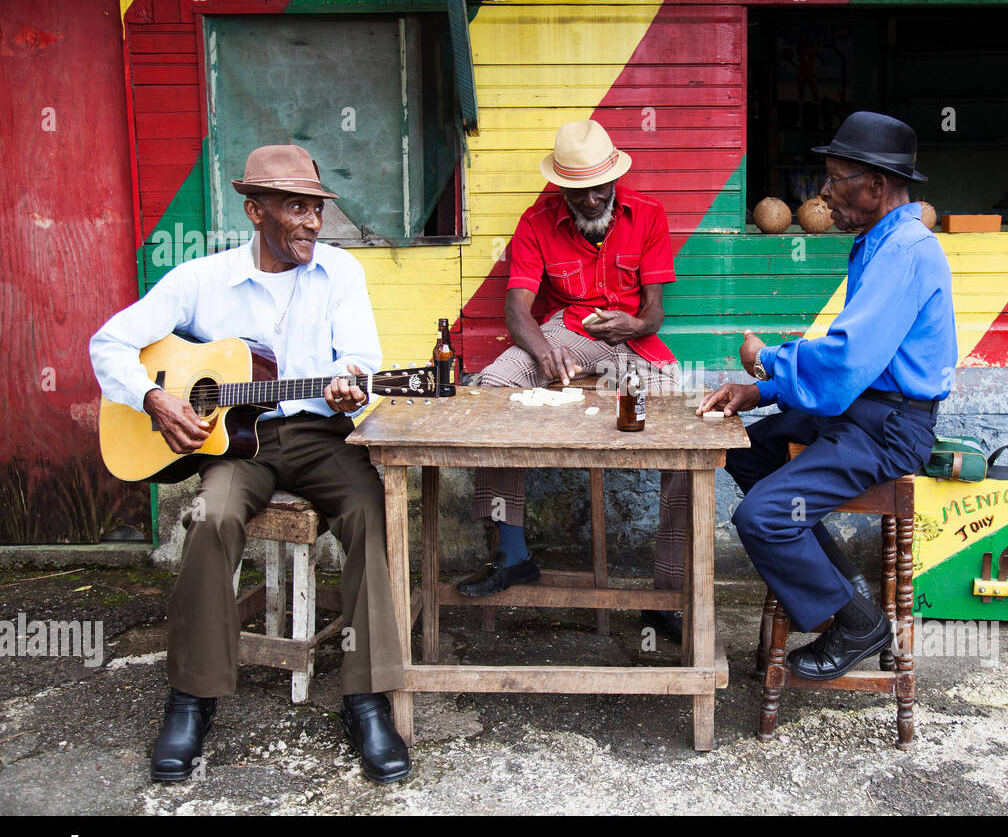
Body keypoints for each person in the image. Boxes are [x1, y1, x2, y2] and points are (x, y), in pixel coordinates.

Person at [89, 145, 411, 783]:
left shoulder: (340, 274)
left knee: (368, 513)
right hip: (240, 444)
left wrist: (352, 383)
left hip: (320, 436)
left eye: (317, 209)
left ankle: (366, 697)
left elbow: (361, 361)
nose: (312, 223)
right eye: (297, 208)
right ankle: (191, 698)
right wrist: (155, 399)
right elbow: (110, 341)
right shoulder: (200, 279)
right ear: (254, 211)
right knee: (210, 521)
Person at [697, 112, 957, 680]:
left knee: (762, 518)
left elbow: (844, 362)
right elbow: (850, 361)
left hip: (887, 426)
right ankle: (846, 588)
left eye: (836, 178)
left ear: (877, 185)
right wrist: (759, 391)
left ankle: (856, 620)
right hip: (863, 410)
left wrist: (767, 360)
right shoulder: (879, 242)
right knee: (748, 450)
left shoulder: (906, 251)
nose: (825, 192)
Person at [458, 120, 688, 640]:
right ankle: (513, 555)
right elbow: (516, 308)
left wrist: (634, 325)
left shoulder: (648, 214)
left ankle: (668, 591)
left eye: (599, 189)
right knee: (491, 391)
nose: (590, 200)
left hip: (632, 342)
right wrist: (542, 354)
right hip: (565, 332)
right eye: (578, 191)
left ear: (614, 179)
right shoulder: (537, 222)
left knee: (686, 430)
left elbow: (654, 314)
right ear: (562, 187)